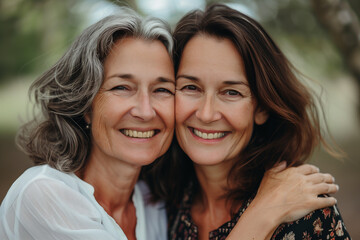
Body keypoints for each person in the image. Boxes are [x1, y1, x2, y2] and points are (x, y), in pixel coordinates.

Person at [0, 6, 341, 240]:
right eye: (122, 87)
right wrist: (263, 214)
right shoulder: (44, 196)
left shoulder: (156, 200)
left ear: (262, 107)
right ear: (85, 103)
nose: (146, 111)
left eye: (162, 89)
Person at [143, 3, 351, 240]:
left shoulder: (303, 210)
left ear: (261, 108)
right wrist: (260, 216)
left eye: (231, 92)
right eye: (191, 87)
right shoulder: (160, 202)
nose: (206, 114)